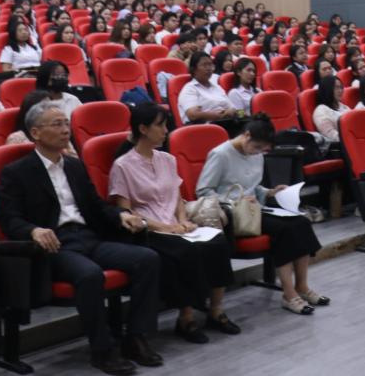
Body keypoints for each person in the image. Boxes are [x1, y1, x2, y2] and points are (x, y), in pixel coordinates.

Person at [0, 102, 162, 373]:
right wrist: (33, 230)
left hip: (88, 237)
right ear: (35, 133)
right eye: (57, 124)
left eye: (66, 123)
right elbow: (8, 217)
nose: (66, 130)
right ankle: (102, 350)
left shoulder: (74, 166)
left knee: (147, 258)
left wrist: (121, 215)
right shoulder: (17, 172)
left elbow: (96, 206)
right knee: (89, 275)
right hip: (56, 245)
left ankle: (136, 337)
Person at [109, 104, 239, 343]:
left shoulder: (167, 159)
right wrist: (165, 227)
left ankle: (216, 310)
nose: (166, 131)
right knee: (186, 251)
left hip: (176, 225)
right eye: (160, 125)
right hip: (149, 229)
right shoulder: (122, 165)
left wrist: (182, 219)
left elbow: (176, 197)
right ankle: (186, 318)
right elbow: (126, 211)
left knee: (218, 242)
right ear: (143, 129)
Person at [195, 115, 328, 315]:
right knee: (283, 230)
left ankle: (302, 286)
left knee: (301, 222)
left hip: (253, 210)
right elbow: (203, 191)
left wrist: (270, 192)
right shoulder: (221, 154)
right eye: (256, 147)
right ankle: (289, 294)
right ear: (246, 135)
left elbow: (254, 187)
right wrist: (234, 200)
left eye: (262, 150)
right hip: (232, 213)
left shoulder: (256, 155)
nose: (257, 153)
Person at [177, 52, 238, 125]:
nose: (209, 68)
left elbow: (233, 108)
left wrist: (228, 113)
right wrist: (219, 115)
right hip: (204, 127)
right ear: (193, 69)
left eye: (210, 65)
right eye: (204, 65)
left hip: (226, 123)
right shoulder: (190, 89)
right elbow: (193, 115)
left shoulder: (217, 87)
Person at [311, 76, 349, 156]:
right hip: (340, 149)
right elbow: (332, 137)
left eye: (341, 87)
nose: (340, 91)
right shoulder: (321, 111)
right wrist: (353, 139)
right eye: (336, 88)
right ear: (327, 89)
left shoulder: (344, 107)